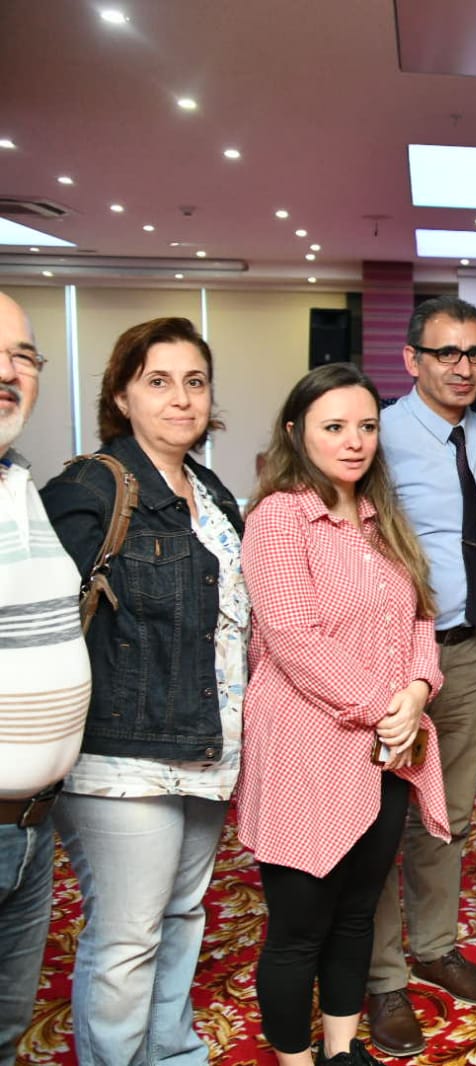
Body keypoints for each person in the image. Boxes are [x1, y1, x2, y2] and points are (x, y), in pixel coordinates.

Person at [41, 317, 247, 1066]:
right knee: (128, 935)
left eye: (195, 382)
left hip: (204, 745)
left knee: (183, 914)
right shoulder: (89, 487)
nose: (181, 399)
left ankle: (172, 1052)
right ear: (122, 396)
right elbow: (36, 619)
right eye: (158, 382)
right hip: (121, 755)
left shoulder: (211, 491)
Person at [237, 364, 450, 1066]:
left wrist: (416, 692)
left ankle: (340, 1047)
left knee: (357, 913)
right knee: (300, 928)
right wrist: (384, 709)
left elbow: (420, 616)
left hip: (385, 748)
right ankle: (295, 1060)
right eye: (334, 427)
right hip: (308, 748)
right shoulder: (278, 518)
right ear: (296, 432)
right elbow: (294, 637)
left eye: (366, 426)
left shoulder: (381, 517)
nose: (354, 441)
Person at [363, 297, 476, 1057]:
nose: (462, 367)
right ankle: (382, 976)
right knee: (379, 818)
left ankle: (435, 946)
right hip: (391, 657)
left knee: (448, 811)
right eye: (447, 353)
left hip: (469, 647)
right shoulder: (378, 435)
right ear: (412, 359)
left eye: (475, 353)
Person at [0, 292, 91, 1066]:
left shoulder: (18, 482)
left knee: (6, 1028)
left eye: (22, 355)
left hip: (31, 824)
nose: (8, 371)